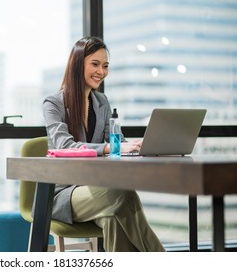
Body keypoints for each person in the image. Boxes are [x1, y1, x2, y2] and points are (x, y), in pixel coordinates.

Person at [43, 36, 165, 252]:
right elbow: (65, 146)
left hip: (98, 190)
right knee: (122, 194)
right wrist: (111, 148)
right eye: (95, 64)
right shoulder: (53, 103)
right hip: (64, 194)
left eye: (106, 65)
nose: (101, 71)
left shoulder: (102, 102)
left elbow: (116, 139)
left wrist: (137, 145)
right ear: (77, 64)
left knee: (114, 217)